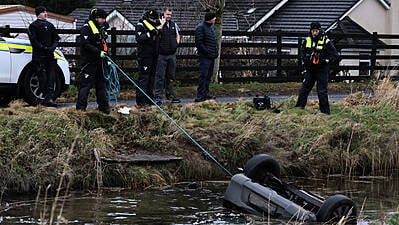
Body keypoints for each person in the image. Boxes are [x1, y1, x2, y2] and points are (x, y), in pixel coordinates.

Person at [295, 22, 338, 114]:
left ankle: (325, 113)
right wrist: (305, 58)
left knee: (321, 91)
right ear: (310, 31)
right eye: (313, 31)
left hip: (322, 70)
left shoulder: (326, 41)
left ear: (319, 30)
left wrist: (325, 60)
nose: (314, 33)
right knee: (304, 89)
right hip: (310, 69)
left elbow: (334, 55)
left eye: (316, 31)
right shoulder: (307, 40)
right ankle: (298, 109)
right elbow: (302, 52)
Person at [76, 8, 110, 114]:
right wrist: (97, 52)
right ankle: (80, 109)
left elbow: (103, 43)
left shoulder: (101, 28)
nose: (104, 20)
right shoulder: (86, 28)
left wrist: (106, 57)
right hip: (89, 61)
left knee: (101, 85)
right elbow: (85, 45)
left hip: (100, 61)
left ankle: (104, 108)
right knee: (85, 85)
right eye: (102, 18)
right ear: (96, 18)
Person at [28, 6, 60, 107]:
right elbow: (34, 41)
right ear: (39, 14)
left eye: (46, 11)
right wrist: (43, 48)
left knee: (51, 77)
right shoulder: (33, 26)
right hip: (39, 56)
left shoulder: (50, 25)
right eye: (43, 12)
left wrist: (52, 47)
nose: (46, 13)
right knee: (42, 77)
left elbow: (56, 38)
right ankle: (43, 98)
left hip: (50, 55)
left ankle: (49, 99)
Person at [135, 9, 165, 106]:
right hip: (144, 56)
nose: (153, 20)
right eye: (152, 19)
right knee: (143, 78)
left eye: (155, 19)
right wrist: (150, 33)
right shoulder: (141, 25)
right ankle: (141, 100)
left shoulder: (155, 26)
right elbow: (140, 38)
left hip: (154, 55)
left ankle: (149, 98)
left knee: (151, 78)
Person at [154, 7, 181, 105]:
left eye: (170, 14)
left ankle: (170, 96)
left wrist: (176, 44)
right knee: (160, 76)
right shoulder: (159, 23)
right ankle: (158, 97)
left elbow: (178, 34)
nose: (169, 16)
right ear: (163, 14)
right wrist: (161, 25)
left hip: (172, 54)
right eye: (167, 14)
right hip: (162, 55)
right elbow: (156, 35)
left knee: (170, 76)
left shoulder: (174, 24)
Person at [194, 11, 219, 102]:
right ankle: (200, 95)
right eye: (214, 17)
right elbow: (199, 43)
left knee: (208, 76)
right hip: (204, 57)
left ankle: (206, 93)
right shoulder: (200, 28)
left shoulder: (211, 28)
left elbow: (214, 41)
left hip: (211, 56)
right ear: (210, 18)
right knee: (203, 76)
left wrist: (216, 51)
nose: (215, 19)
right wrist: (208, 52)